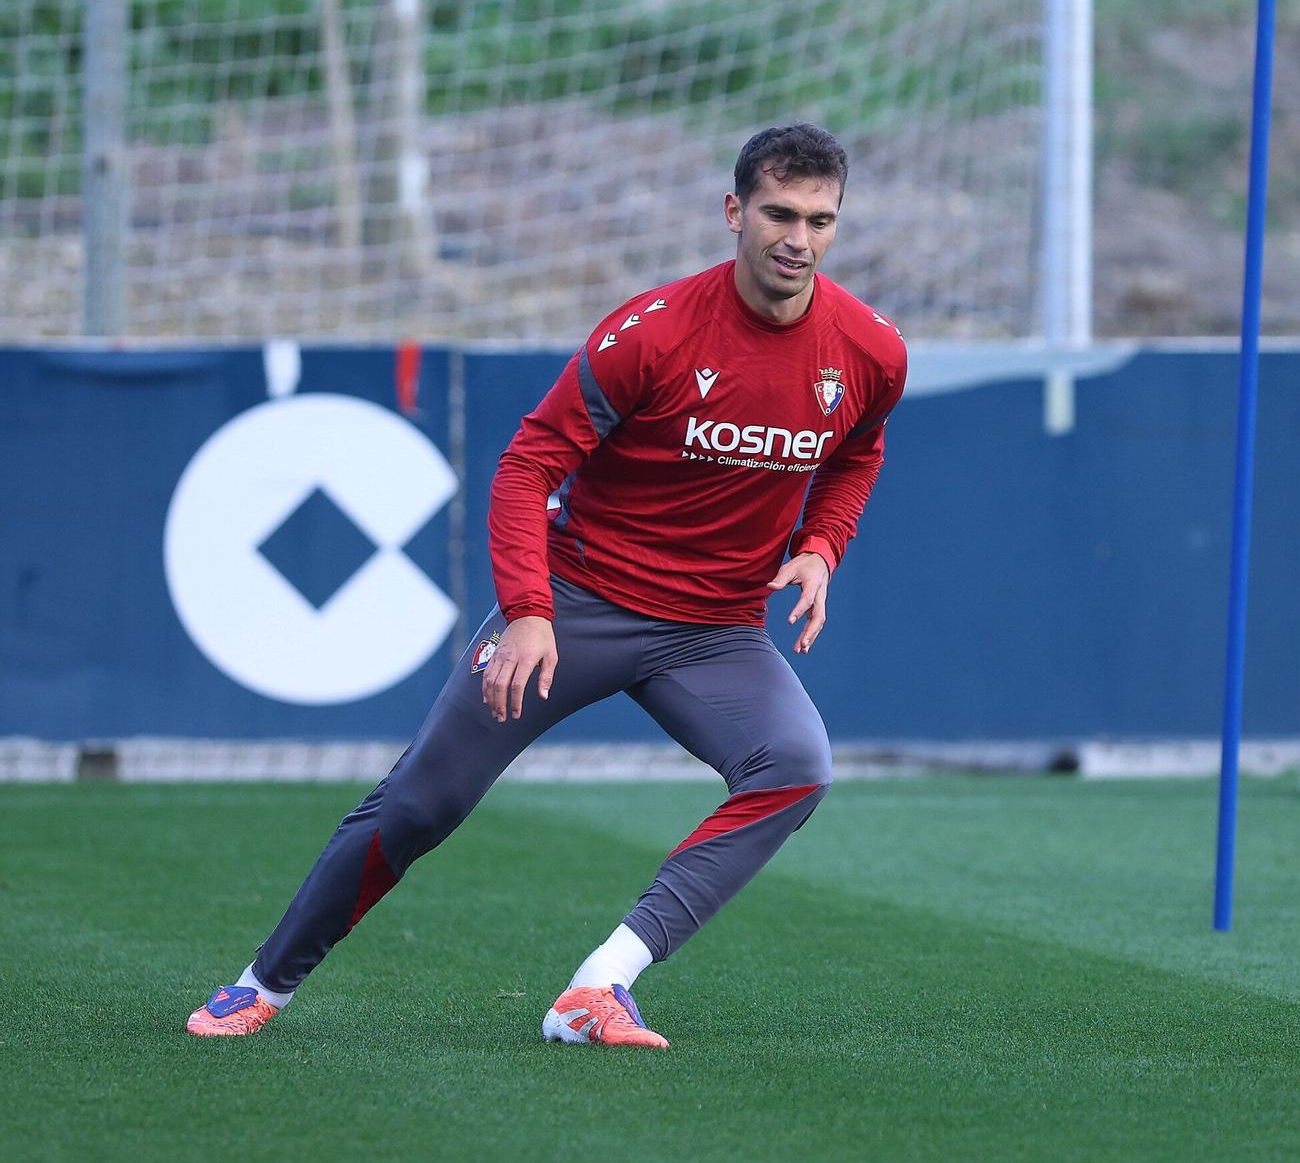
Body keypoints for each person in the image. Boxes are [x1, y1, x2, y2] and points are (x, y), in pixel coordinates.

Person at [187, 123, 907, 1045]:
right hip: (577, 605)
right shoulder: (650, 335)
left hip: (716, 629)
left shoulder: (871, 350)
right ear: (735, 212)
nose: (797, 239)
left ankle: (599, 987)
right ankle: (261, 984)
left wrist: (822, 546)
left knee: (797, 767)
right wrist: (528, 613)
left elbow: (858, 454)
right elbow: (526, 466)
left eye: (820, 219)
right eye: (778, 213)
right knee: (420, 804)